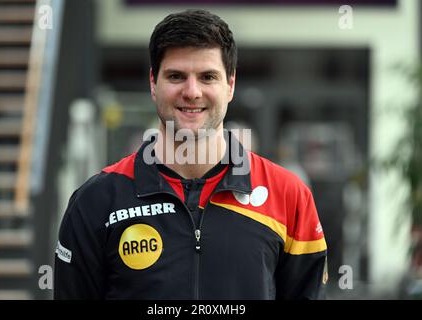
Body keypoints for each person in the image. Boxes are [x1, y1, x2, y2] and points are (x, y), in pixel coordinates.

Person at [54, 9, 328, 299]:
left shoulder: (288, 196)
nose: (192, 91)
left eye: (208, 76)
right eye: (176, 76)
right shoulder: (96, 201)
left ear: (230, 85)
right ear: (152, 83)